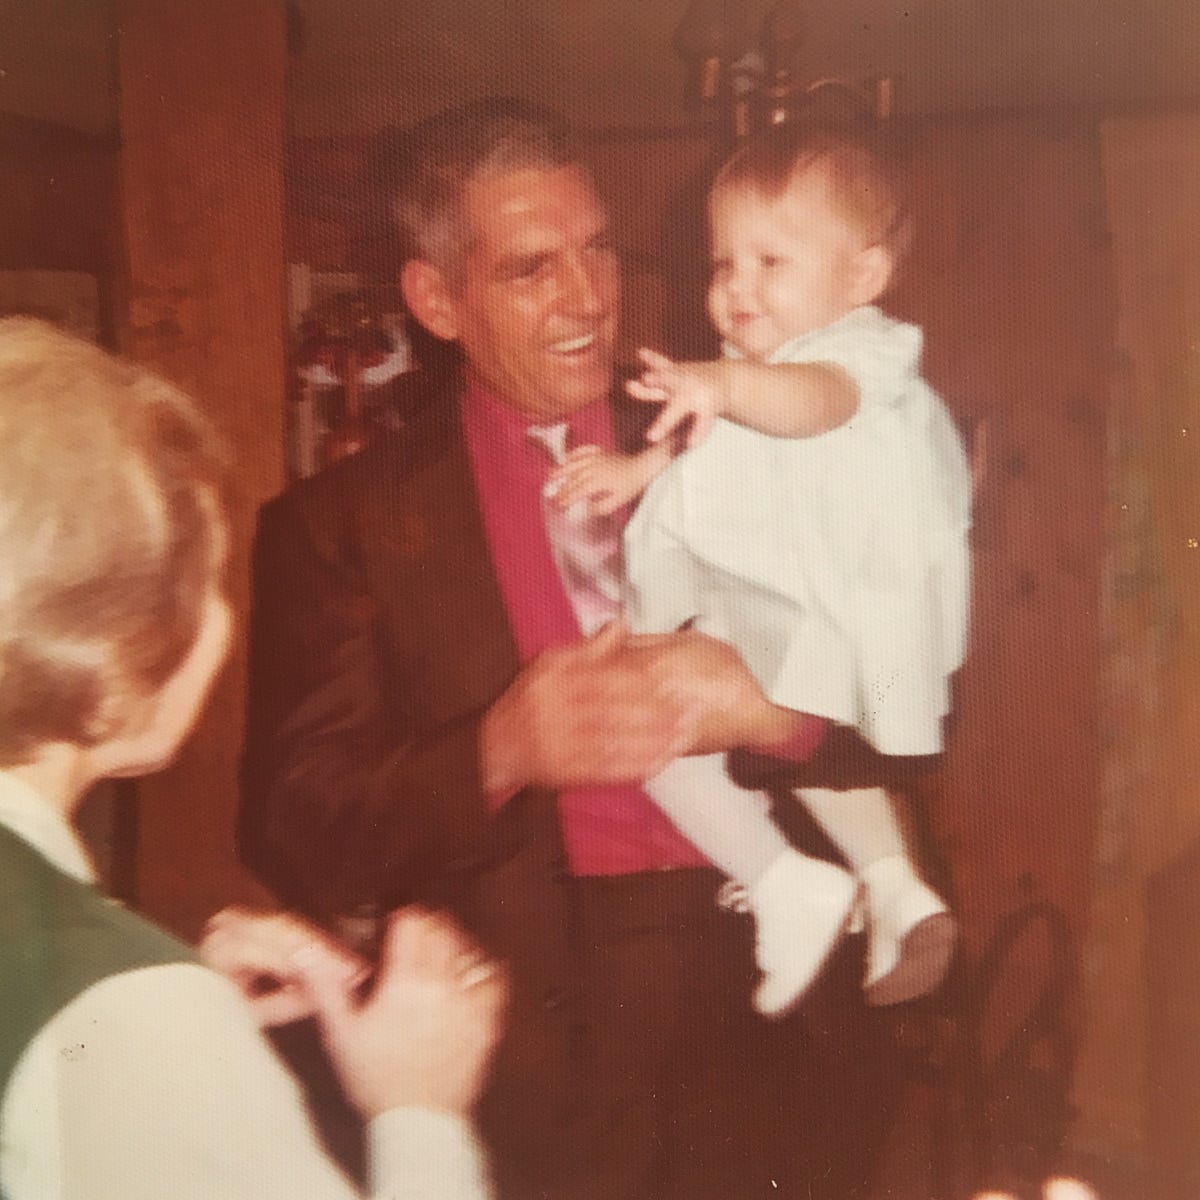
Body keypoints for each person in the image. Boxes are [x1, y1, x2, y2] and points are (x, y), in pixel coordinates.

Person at [239, 98, 903, 1200]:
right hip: (534, 1050)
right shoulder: (337, 528)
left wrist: (778, 713)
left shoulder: (748, 423)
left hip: (774, 1014)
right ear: (436, 301)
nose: (590, 298)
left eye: (598, 248)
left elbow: (923, 704)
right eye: (530, 270)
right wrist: (496, 749)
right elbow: (296, 830)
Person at [0, 317, 505, 1200]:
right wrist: (418, 1108)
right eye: (204, 583)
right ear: (115, 672)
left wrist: (161, 1034)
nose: (222, 619)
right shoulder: (128, 1012)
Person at [548, 110, 973, 1016]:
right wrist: (634, 470)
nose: (738, 286)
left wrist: (724, 384)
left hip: (823, 595)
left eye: (771, 261)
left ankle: (780, 877)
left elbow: (811, 404)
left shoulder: (855, 354)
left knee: (644, 713)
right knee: (792, 757)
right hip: (785, 594)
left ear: (862, 277)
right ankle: (895, 889)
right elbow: (714, 444)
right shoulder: (758, 365)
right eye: (723, 264)